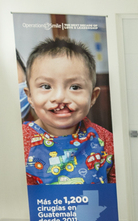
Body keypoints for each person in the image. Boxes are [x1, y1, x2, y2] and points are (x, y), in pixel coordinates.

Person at [22, 38, 115, 185]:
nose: (60, 97)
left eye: (75, 87)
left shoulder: (106, 141)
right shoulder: (19, 142)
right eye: (46, 86)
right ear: (30, 96)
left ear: (92, 97)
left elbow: (120, 189)